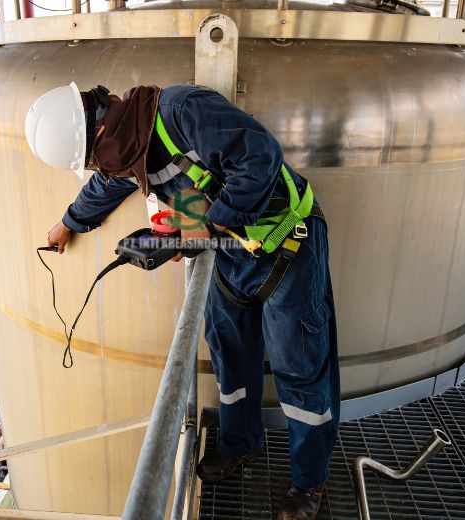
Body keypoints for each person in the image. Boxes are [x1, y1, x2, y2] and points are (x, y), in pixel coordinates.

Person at [25, 82, 340, 520]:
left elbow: (260, 157)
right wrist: (69, 222)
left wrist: (203, 230)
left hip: (287, 242)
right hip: (230, 253)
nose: (100, 169)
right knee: (230, 353)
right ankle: (239, 444)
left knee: (299, 365)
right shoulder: (128, 148)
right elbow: (106, 186)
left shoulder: (182, 112)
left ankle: (309, 482)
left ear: (100, 134)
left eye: (95, 160)